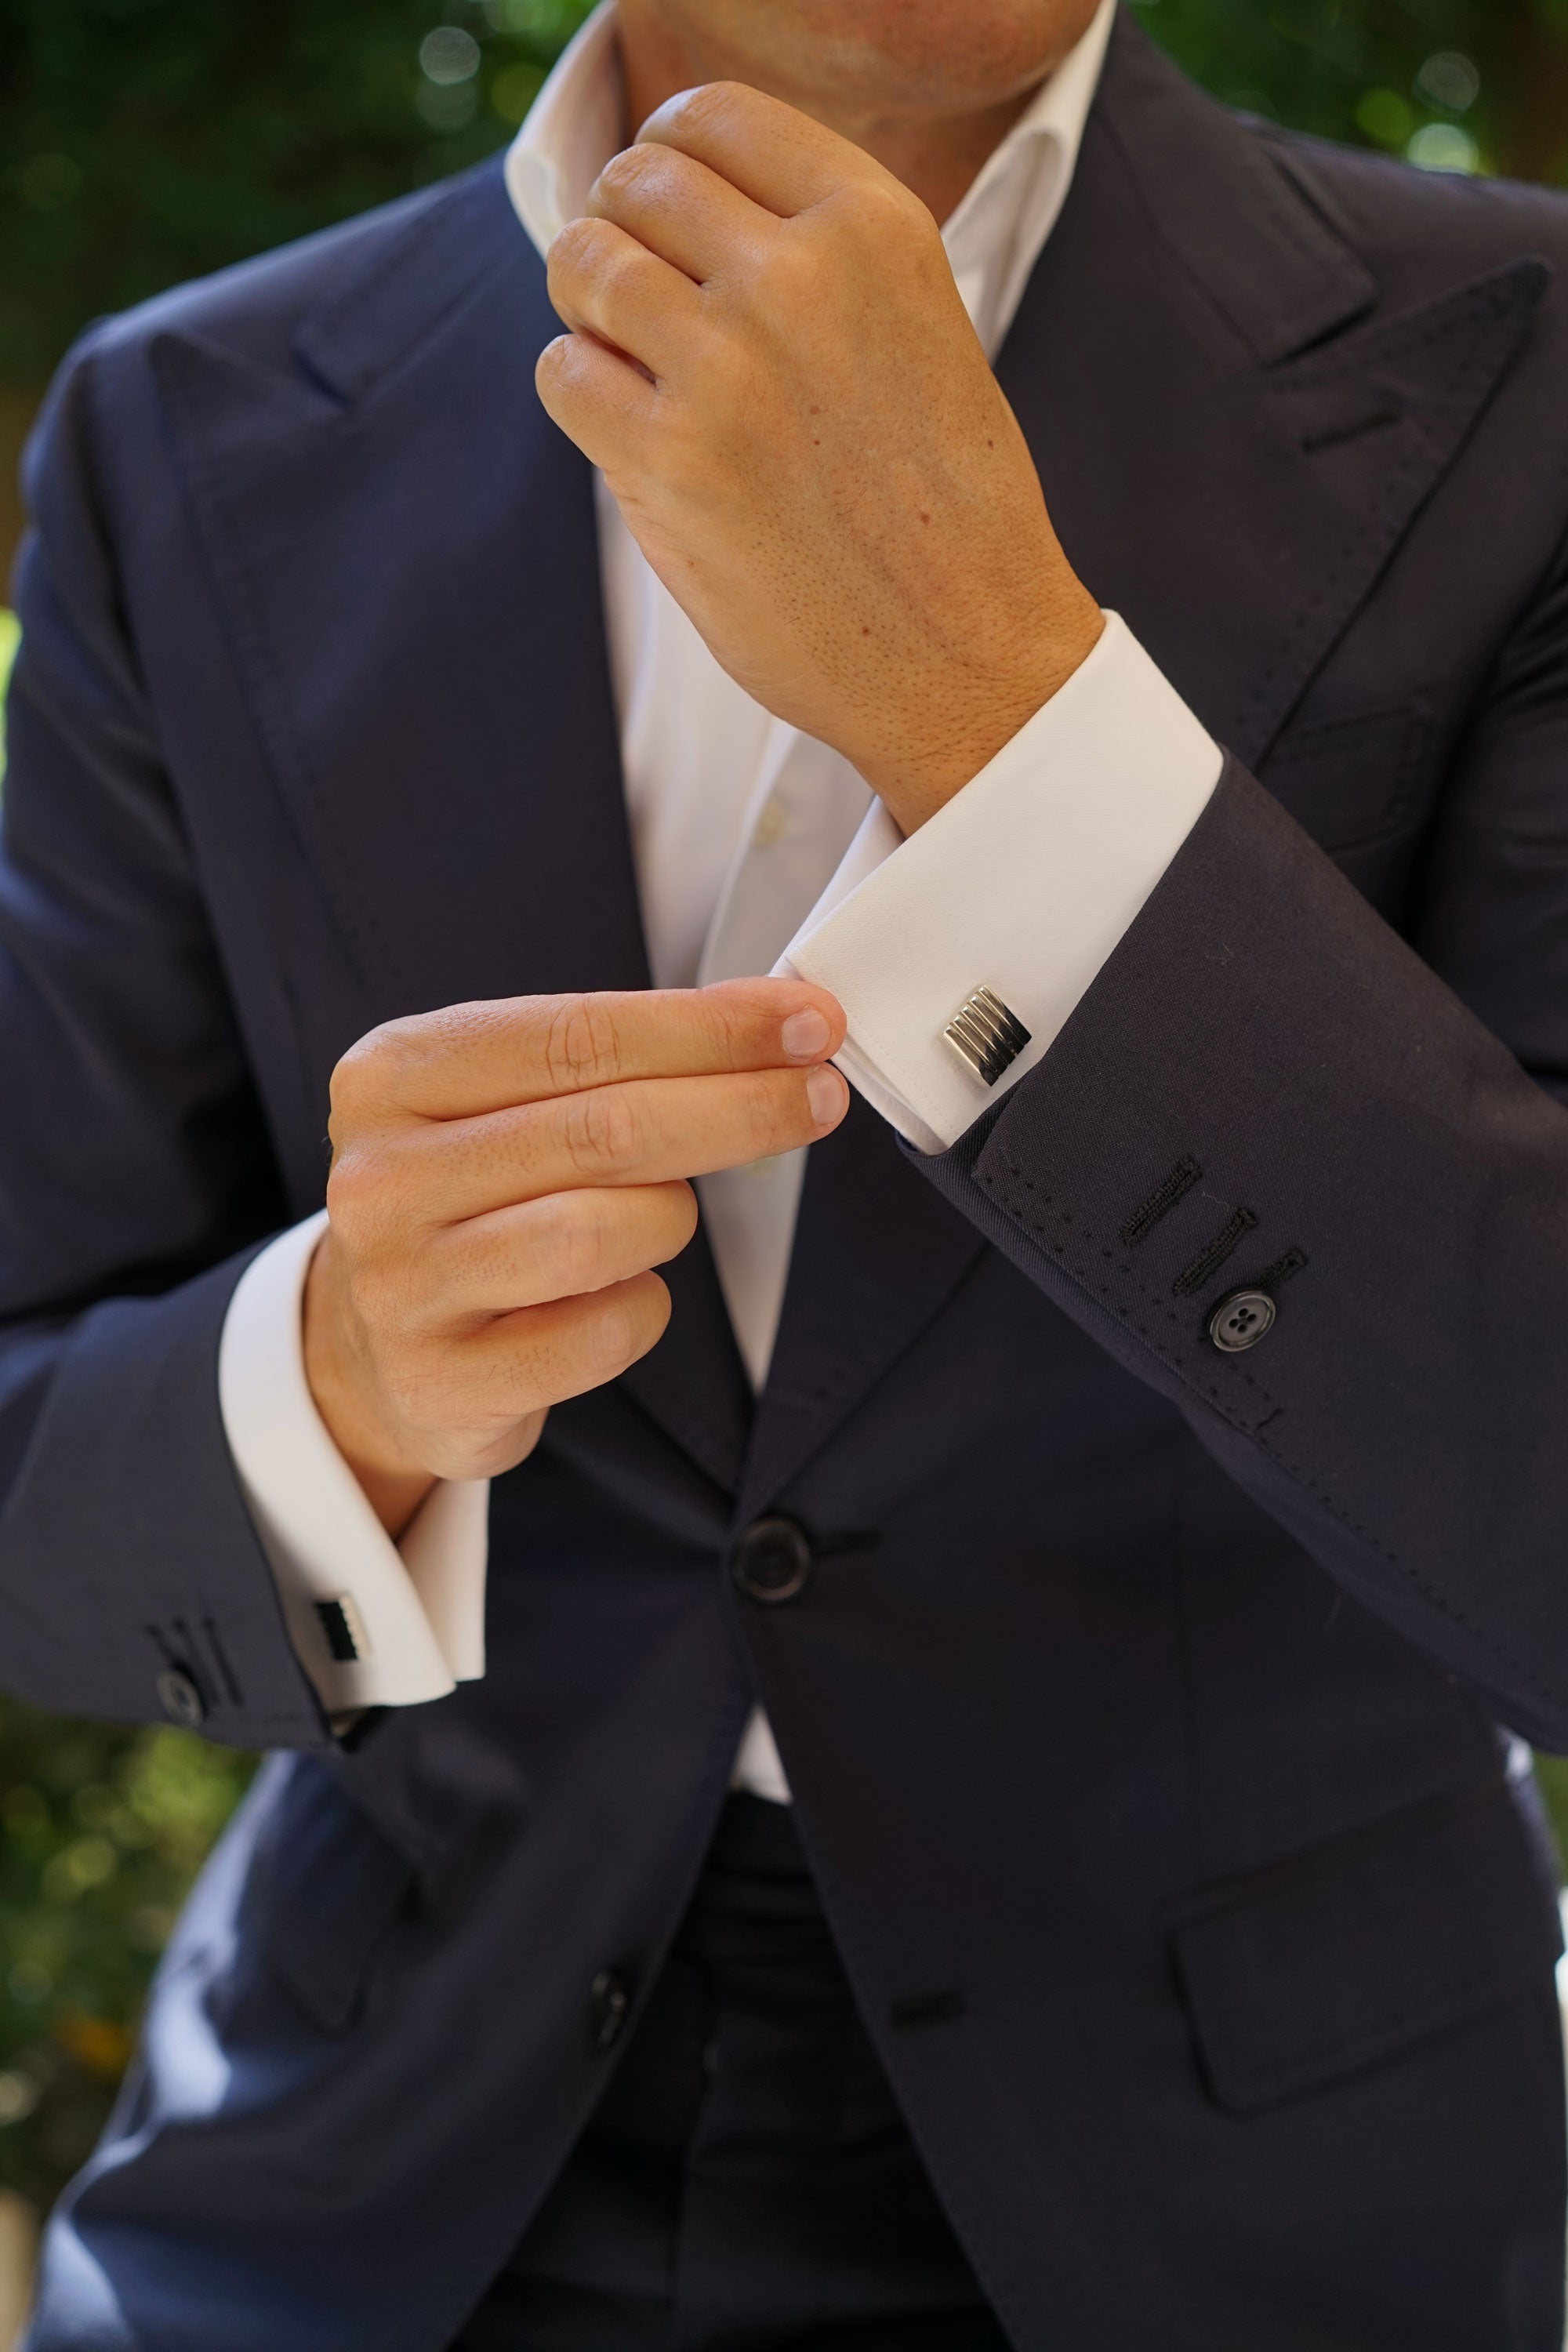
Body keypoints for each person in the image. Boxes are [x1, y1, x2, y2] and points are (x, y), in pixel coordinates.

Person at [3, 0, 1568, 2341]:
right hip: (383, 2163)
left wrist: (1001, 721)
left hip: (1271, 2204)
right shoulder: (179, 426)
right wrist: (326, 1385)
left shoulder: (1527, 367)